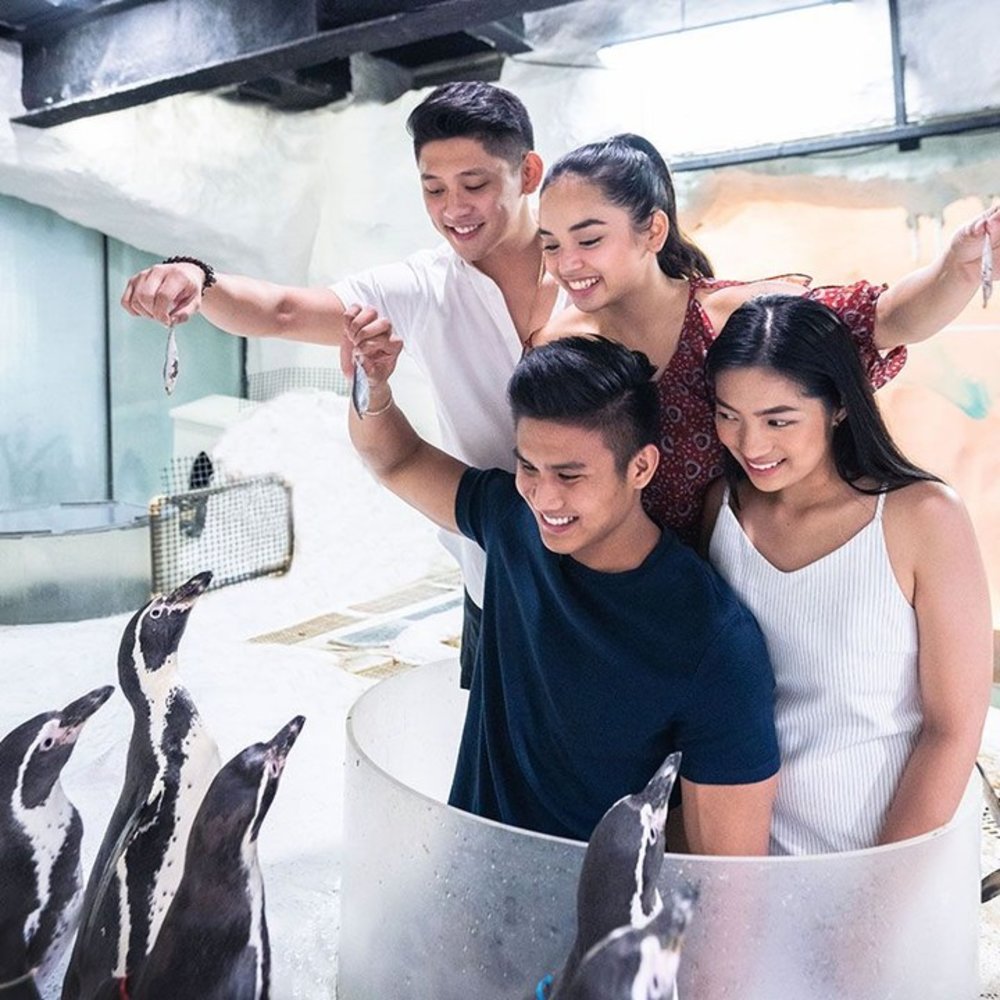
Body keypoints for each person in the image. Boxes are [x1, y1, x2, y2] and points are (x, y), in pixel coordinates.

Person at [121, 81, 566, 690]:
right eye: (433, 189)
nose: (452, 208)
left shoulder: (584, 265)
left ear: (528, 172)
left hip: (615, 561)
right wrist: (197, 277)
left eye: (475, 184)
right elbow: (281, 310)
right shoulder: (424, 285)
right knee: (492, 764)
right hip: (495, 566)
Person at [349, 333, 780, 850]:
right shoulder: (514, 525)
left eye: (570, 475)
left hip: (594, 925)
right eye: (529, 466)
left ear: (640, 467)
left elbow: (728, 874)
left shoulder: (713, 643)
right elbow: (397, 461)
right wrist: (371, 389)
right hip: (463, 888)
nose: (542, 495)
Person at [535, 133, 1000, 546]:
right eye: (551, 244)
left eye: (589, 240)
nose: (567, 263)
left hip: (757, 576)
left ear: (653, 231)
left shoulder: (735, 317)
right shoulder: (559, 348)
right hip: (620, 593)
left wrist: (954, 270)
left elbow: (885, 318)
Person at [700, 294, 991, 854]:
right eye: (728, 415)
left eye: (778, 420)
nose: (750, 444)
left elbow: (952, 729)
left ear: (837, 406)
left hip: (891, 849)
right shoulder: (722, 511)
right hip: (750, 855)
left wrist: (876, 886)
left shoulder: (923, 518)